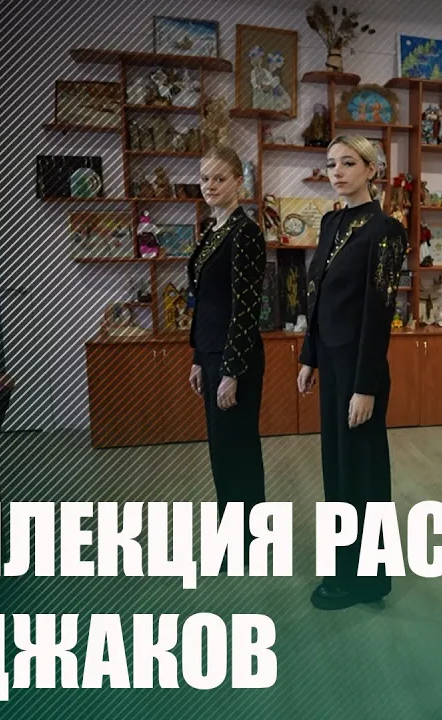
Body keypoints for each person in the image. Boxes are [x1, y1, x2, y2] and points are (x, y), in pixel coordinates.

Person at [297, 134, 408, 610]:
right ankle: (342, 567)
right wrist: (309, 355)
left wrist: (365, 385)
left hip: (361, 368)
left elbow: (378, 313)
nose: (337, 172)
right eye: (331, 164)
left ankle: (365, 580)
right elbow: (317, 293)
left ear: (371, 169)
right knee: (337, 470)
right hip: (331, 359)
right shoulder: (331, 222)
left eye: (348, 163)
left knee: (361, 474)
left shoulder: (386, 230)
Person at [187, 144, 268, 563]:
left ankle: (248, 540)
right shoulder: (213, 230)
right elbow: (205, 301)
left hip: (235, 357)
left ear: (239, 181)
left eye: (220, 178)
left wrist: (231, 371)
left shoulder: (245, 233)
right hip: (212, 353)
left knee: (237, 449)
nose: (210, 186)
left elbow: (245, 307)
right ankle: (234, 536)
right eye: (205, 178)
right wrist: (197, 357)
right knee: (223, 451)